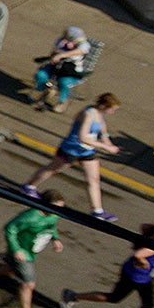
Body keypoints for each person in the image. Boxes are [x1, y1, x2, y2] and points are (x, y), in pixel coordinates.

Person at [23, 93, 121, 221]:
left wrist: (108, 141)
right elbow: (83, 137)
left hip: (86, 152)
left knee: (93, 180)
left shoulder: (100, 114)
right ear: (103, 106)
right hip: (71, 149)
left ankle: (97, 211)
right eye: (112, 109)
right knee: (52, 169)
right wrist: (105, 147)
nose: (113, 112)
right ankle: (29, 186)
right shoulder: (88, 114)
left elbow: (102, 129)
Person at [63, 227, 154, 308]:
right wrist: (143, 262)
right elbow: (139, 255)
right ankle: (73, 296)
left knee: (148, 305)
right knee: (114, 298)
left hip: (143, 277)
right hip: (134, 276)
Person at [0, 191, 65, 308]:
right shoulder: (31, 216)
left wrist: (55, 238)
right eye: (56, 207)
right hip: (23, 254)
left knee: (10, 271)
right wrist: (16, 249)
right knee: (28, 284)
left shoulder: (53, 215)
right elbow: (10, 228)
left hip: (30, 252)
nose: (59, 211)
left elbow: (51, 226)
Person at [32, 27, 92, 112]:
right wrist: (55, 55)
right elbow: (54, 52)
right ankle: (46, 90)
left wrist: (62, 55)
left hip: (70, 71)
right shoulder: (62, 41)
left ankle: (62, 101)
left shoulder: (84, 45)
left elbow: (79, 51)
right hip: (56, 67)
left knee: (64, 83)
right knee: (40, 75)